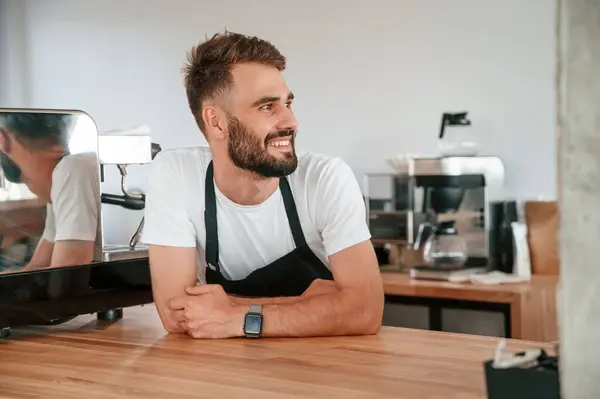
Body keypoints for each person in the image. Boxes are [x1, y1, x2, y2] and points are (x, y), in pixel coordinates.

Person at [142, 31, 384, 339]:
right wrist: (314, 305)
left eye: (288, 103)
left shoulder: (325, 178)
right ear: (217, 122)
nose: (291, 121)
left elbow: (364, 310)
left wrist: (233, 314)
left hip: (328, 371)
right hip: (225, 373)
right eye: (268, 107)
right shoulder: (175, 174)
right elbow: (176, 314)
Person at [0, 112, 100, 270]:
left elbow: (66, 274)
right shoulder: (59, 179)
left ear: (3, 139)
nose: (35, 193)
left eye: (26, 182)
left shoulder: (71, 169)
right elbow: (36, 267)